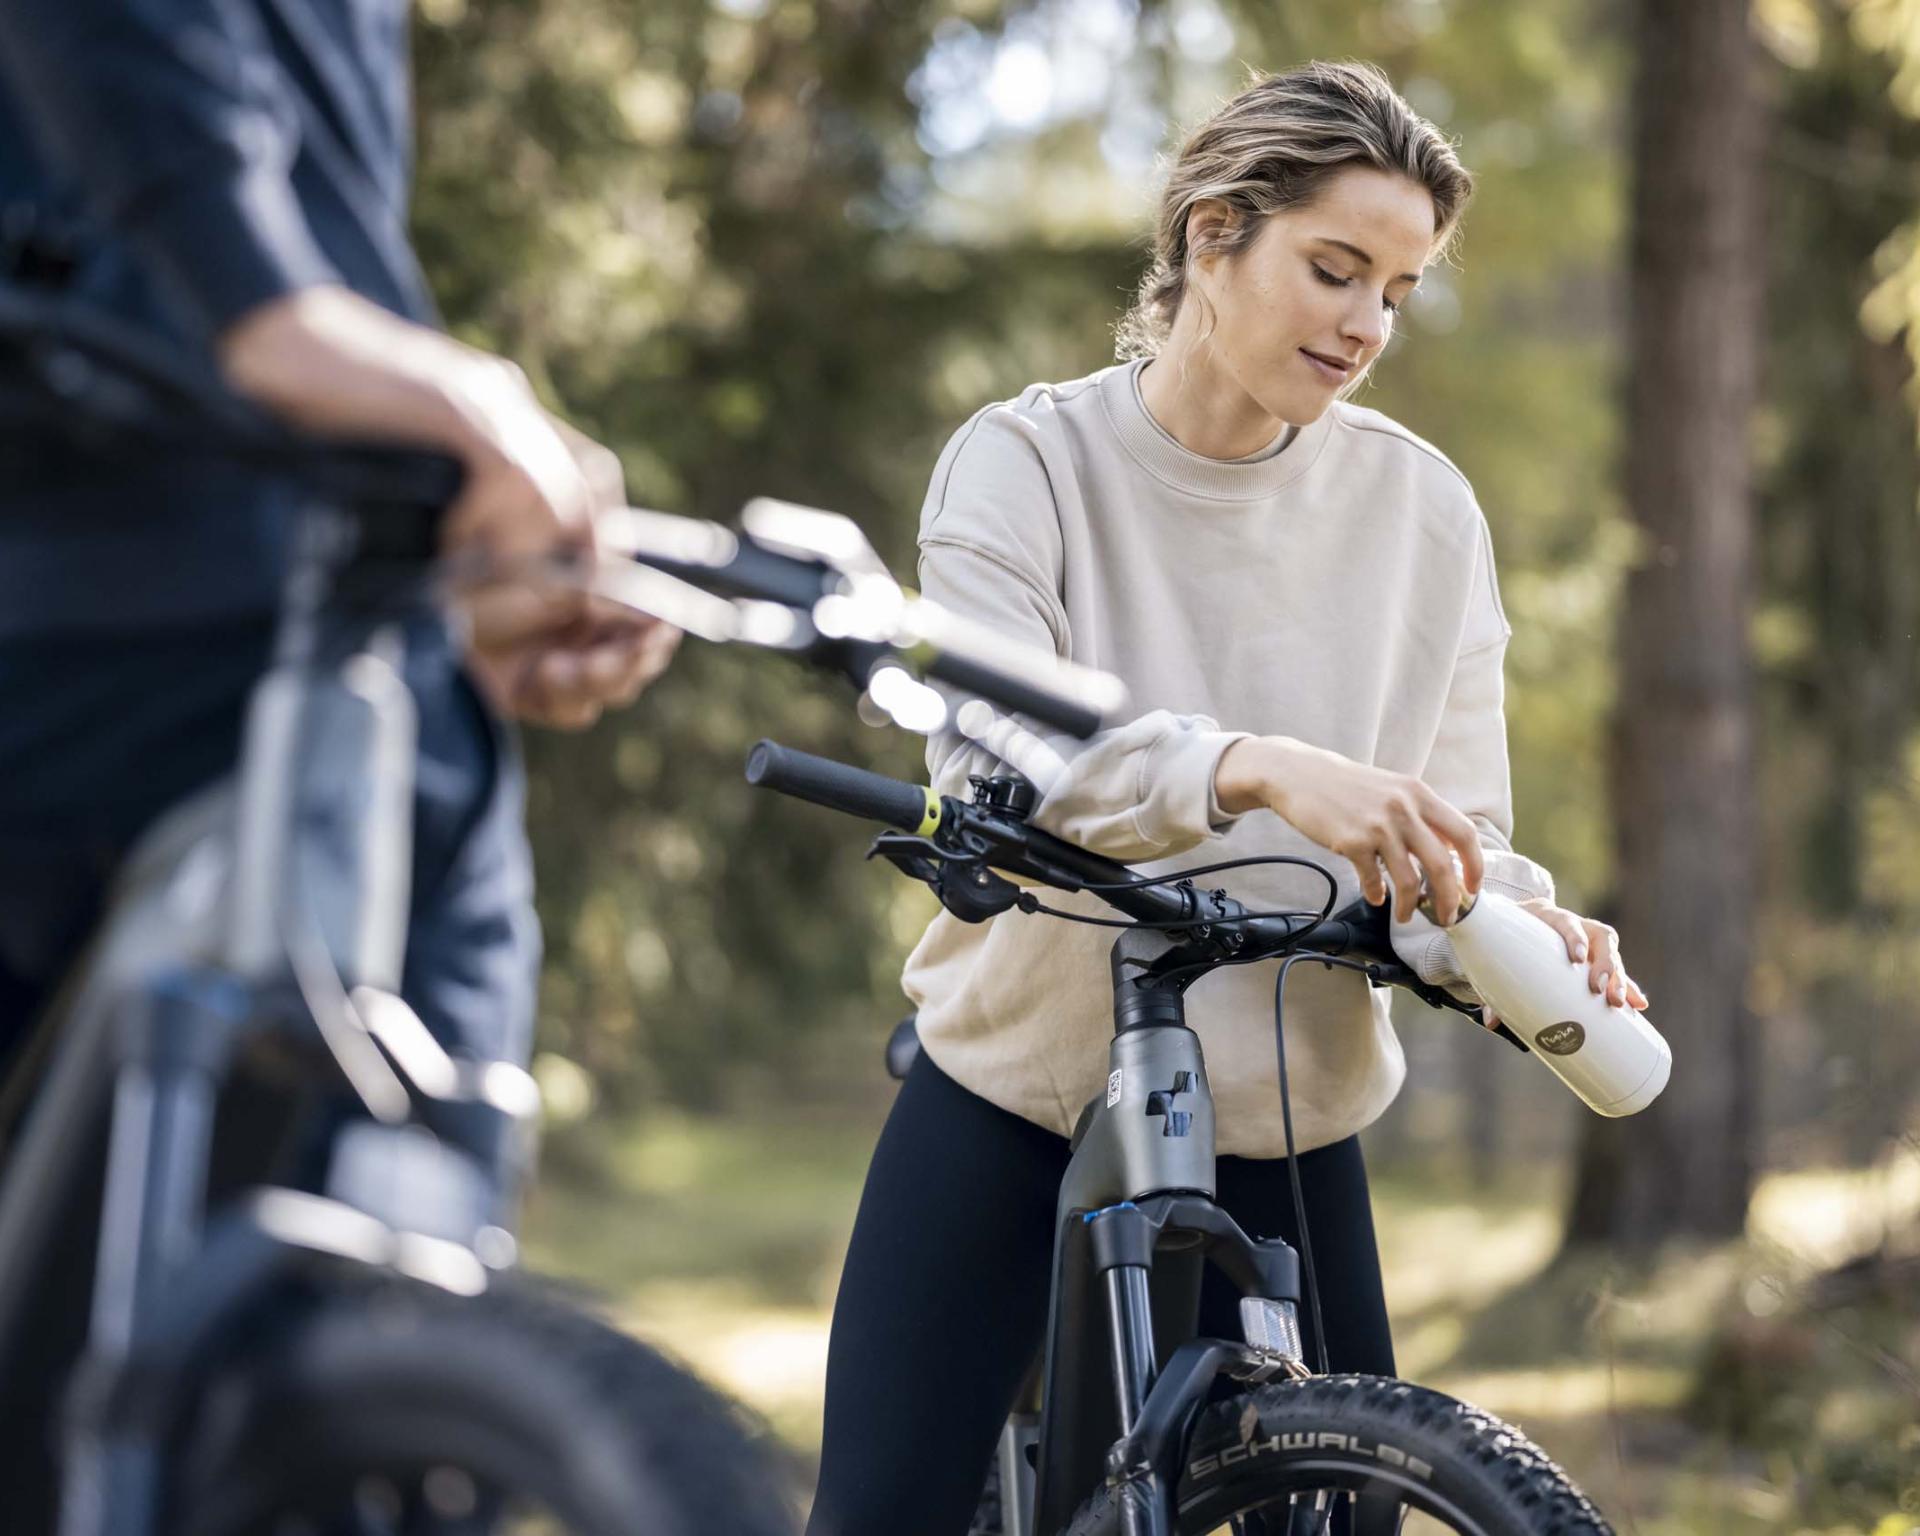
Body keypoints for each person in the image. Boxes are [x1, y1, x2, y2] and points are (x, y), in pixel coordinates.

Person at [808, 61, 1649, 1534]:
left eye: (1397, 290)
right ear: (1212, 234)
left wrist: (1521, 927)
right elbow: (994, 744)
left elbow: (1456, 841)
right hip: (1021, 1095)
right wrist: (1248, 765)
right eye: (1336, 270)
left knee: (1363, 1507)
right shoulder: (1027, 463)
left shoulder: (1425, 513)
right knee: (880, 1509)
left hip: (1290, 1122)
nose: (1367, 326)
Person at [0, 0, 676, 1520]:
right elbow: (249, 272)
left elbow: (313, 258)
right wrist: (270, 318)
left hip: (352, 625)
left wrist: (459, 517)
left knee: (395, 1321)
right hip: (74, 611)